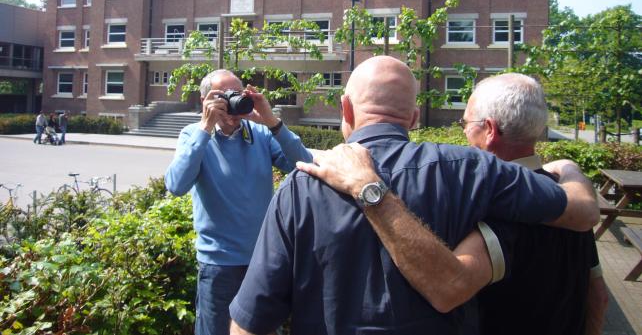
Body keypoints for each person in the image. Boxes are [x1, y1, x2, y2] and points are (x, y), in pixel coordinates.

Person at [229, 56, 598, 335]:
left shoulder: (300, 187)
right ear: (415, 117)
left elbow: (250, 322)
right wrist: (568, 168)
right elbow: (582, 213)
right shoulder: (473, 169)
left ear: (345, 109)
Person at [164, 69, 312, 335]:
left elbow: (303, 164)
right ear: (205, 100)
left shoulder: (260, 133)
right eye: (223, 96)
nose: (231, 102)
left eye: (236, 94)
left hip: (262, 262)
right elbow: (176, 185)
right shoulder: (193, 135)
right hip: (218, 265)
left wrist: (271, 121)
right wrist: (205, 128)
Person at [460, 73, 608, 335]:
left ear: (490, 130)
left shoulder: (482, 203)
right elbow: (598, 296)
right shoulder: (573, 201)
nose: (464, 131)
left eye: (466, 122)